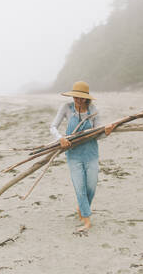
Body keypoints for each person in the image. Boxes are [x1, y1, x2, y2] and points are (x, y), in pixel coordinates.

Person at [50, 81, 115, 231]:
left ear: (87, 98)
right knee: (80, 187)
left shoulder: (93, 110)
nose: (78, 100)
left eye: (81, 98)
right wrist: (60, 138)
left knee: (91, 187)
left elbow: (98, 135)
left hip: (91, 154)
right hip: (73, 155)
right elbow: (53, 126)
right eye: (76, 97)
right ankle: (86, 220)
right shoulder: (66, 108)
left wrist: (106, 132)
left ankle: (82, 208)